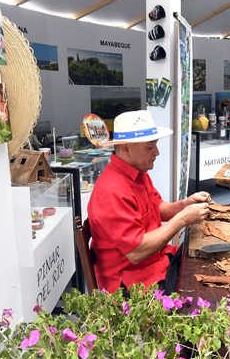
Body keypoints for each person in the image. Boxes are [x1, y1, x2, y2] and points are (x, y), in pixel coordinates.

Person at [87, 110, 210, 293]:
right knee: (204, 289)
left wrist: (185, 205)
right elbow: (136, 252)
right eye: (149, 147)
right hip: (131, 285)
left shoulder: (138, 172)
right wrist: (183, 218)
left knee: (205, 264)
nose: (157, 152)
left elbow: (156, 208)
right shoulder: (112, 191)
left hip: (155, 264)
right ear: (126, 149)